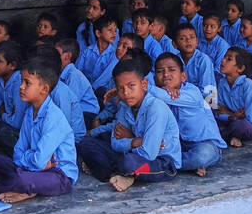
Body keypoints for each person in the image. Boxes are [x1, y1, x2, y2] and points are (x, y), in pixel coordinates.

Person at [76, 59, 181, 192]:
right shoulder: (125, 106)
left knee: (128, 162)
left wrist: (130, 143)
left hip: (163, 162)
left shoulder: (156, 107)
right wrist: (135, 141)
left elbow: (149, 153)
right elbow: (115, 142)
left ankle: (121, 172)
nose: (126, 93)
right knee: (87, 143)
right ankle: (118, 174)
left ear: (144, 84)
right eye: (121, 88)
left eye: (131, 85)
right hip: (133, 152)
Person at [0, 57, 78, 204]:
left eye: (27, 83)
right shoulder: (29, 113)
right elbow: (18, 153)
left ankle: (18, 189)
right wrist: (32, 161)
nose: (21, 87)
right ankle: (28, 189)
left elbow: (38, 161)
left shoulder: (54, 117)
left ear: (44, 89)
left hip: (59, 176)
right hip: (34, 170)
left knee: (18, 179)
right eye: (21, 81)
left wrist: (30, 162)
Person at [154, 52, 225, 176]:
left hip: (204, 144)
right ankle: (182, 165)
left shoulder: (193, 92)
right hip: (176, 145)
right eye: (160, 71)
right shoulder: (157, 95)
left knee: (202, 156)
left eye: (171, 70)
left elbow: (151, 92)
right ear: (155, 78)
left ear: (183, 76)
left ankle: (166, 165)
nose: (166, 75)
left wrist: (143, 88)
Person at [213, 48, 252, 145]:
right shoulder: (222, 83)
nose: (222, 60)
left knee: (239, 125)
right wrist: (233, 116)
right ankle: (230, 137)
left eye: (229, 59)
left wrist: (231, 114)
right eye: (224, 57)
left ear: (240, 68)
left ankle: (220, 137)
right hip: (231, 121)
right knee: (209, 115)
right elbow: (220, 112)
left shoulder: (247, 85)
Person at [0, 40, 27, 149]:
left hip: (20, 130)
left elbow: (17, 122)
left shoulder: (20, 83)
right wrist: (5, 115)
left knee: (4, 134)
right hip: (6, 123)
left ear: (12, 65)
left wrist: (3, 114)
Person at [54, 38, 100, 129]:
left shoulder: (73, 75)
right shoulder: (61, 73)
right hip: (77, 110)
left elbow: (70, 103)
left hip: (88, 114)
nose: (53, 57)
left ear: (67, 56)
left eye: (56, 54)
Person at [76, 14, 120, 95]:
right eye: (110, 30)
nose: (114, 34)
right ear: (98, 33)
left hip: (103, 90)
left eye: (115, 30)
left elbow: (106, 76)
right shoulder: (87, 51)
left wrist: (92, 89)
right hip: (84, 87)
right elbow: (77, 70)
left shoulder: (115, 54)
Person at [173, 23, 216, 95]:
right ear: (175, 44)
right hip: (182, 98)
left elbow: (206, 90)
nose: (188, 41)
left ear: (197, 42)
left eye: (192, 37)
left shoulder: (203, 60)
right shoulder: (175, 60)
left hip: (204, 101)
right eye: (182, 38)